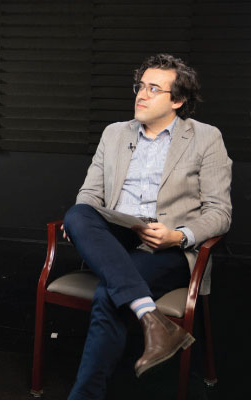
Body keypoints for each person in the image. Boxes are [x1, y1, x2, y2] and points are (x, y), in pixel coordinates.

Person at [61, 54, 232, 399]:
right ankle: (151, 317)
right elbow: (90, 194)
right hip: (116, 237)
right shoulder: (114, 133)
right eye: (140, 86)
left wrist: (178, 236)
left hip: (164, 246)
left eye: (154, 89)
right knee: (77, 214)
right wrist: (86, 221)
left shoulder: (206, 138)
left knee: (109, 295)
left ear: (178, 100)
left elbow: (220, 212)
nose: (142, 94)